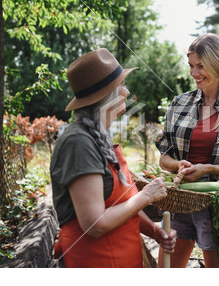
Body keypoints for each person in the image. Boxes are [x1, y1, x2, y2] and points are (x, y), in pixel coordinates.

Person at [50, 48, 176, 268]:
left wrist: (154, 231)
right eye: (122, 86)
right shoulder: (79, 143)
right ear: (105, 95)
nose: (127, 92)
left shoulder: (98, 137)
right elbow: (95, 224)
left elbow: (123, 206)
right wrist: (145, 197)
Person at [156, 33, 219, 267]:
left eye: (200, 66)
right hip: (180, 201)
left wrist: (209, 169)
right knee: (165, 272)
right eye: (191, 66)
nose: (194, 73)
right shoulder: (179, 104)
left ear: (217, 63)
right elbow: (164, 157)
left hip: (216, 206)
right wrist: (177, 165)